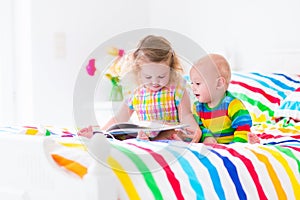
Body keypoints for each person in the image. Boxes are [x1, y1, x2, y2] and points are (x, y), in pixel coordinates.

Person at [79, 35, 202, 143]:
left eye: (162, 76)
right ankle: (95, 136)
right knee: (122, 134)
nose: (155, 82)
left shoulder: (177, 89)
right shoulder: (136, 93)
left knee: (175, 135)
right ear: (138, 71)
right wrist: (99, 132)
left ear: (171, 68)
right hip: (144, 136)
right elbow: (119, 119)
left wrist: (195, 131)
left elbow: (186, 115)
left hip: (169, 136)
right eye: (148, 76)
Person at [189, 54, 260, 144]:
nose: (193, 88)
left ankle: (251, 141)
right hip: (215, 146)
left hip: (233, 143)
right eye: (192, 83)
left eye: (198, 83)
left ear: (219, 84)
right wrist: (207, 137)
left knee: (247, 136)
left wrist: (235, 144)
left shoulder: (232, 104)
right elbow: (199, 127)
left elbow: (243, 126)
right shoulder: (197, 107)